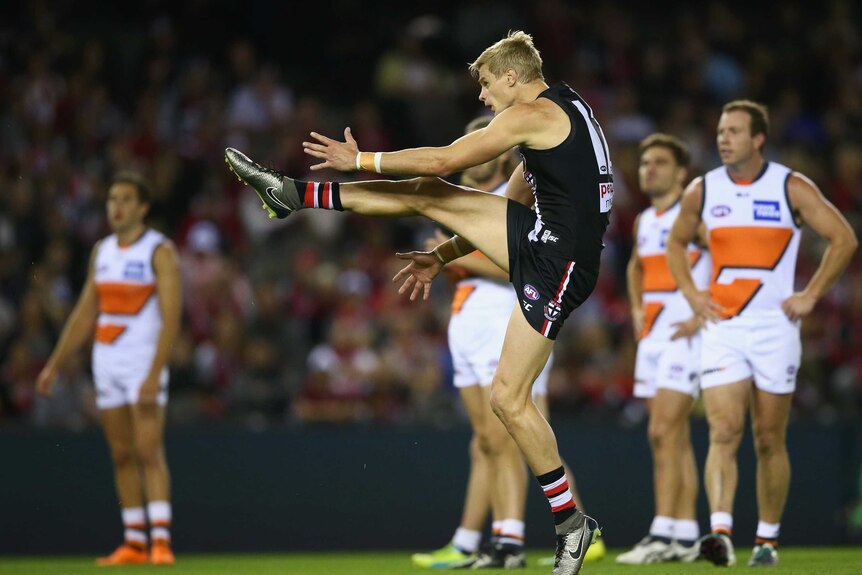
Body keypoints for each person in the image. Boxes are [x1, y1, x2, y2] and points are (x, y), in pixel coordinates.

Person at [225, 30, 610, 575]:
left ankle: (572, 524)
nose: (482, 97)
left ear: (511, 76)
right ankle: (292, 194)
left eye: (484, 84)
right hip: (546, 238)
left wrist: (362, 159)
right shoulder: (568, 108)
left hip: (560, 264)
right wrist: (447, 255)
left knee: (508, 399)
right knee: (432, 201)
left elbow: (443, 161)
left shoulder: (533, 115)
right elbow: (510, 197)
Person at [666, 100, 857, 567]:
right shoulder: (702, 190)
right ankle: (721, 533)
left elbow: (844, 238)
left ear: (757, 139)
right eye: (719, 131)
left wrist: (810, 295)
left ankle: (767, 540)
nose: (722, 138)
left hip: (776, 327)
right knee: (724, 429)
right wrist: (692, 294)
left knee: (768, 436)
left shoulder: (791, 186)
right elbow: (675, 241)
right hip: (723, 326)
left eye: (733, 131)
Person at [410, 116, 605, 570]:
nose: (475, 151)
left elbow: (530, 269)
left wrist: (458, 262)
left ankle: (517, 538)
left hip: (513, 321)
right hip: (471, 325)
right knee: (489, 440)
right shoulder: (472, 205)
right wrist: (447, 258)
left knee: (512, 430)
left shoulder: (523, 201)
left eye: (484, 142)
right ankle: (494, 538)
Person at [36, 171, 182, 566]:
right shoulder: (102, 251)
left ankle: (161, 541)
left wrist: (154, 373)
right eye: (111, 199)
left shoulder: (159, 251)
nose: (116, 207)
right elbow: (85, 313)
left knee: (149, 450)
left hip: (142, 360)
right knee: (121, 453)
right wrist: (54, 365)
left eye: (125, 199)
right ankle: (134, 541)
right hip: (107, 361)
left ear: (142, 207)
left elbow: (171, 318)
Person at [617, 133, 707, 565]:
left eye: (659, 162)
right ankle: (685, 534)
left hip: (685, 333)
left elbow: (727, 261)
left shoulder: (693, 218)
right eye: (644, 162)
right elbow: (636, 265)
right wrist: (636, 308)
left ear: (681, 172)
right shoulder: (645, 220)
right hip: (653, 334)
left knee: (661, 431)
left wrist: (702, 311)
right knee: (673, 438)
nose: (648, 169)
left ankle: (662, 531)